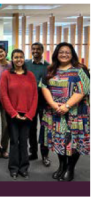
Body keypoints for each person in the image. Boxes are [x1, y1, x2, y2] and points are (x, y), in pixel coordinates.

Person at [39, 42, 90, 181]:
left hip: (75, 113)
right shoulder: (50, 70)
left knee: (73, 141)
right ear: (56, 53)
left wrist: (66, 106)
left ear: (72, 54)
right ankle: (61, 166)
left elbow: (83, 90)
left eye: (67, 52)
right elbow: (44, 87)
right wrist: (54, 105)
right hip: (55, 112)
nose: (64, 54)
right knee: (58, 140)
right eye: (61, 51)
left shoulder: (80, 70)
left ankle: (70, 168)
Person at [0, 49, 38, 180]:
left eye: (21, 57)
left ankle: (24, 168)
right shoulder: (6, 75)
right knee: (14, 142)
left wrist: (30, 114)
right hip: (12, 114)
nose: (18, 60)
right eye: (16, 57)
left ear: (24, 59)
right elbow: (4, 95)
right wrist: (13, 113)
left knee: (24, 141)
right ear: (12, 59)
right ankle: (14, 168)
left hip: (27, 114)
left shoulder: (30, 75)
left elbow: (35, 96)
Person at [25, 42, 51, 166]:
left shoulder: (49, 66)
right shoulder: (26, 64)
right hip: (30, 102)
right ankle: (33, 152)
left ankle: (45, 155)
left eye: (38, 49)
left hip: (44, 103)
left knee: (45, 129)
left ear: (42, 51)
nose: (35, 51)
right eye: (33, 49)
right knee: (31, 129)